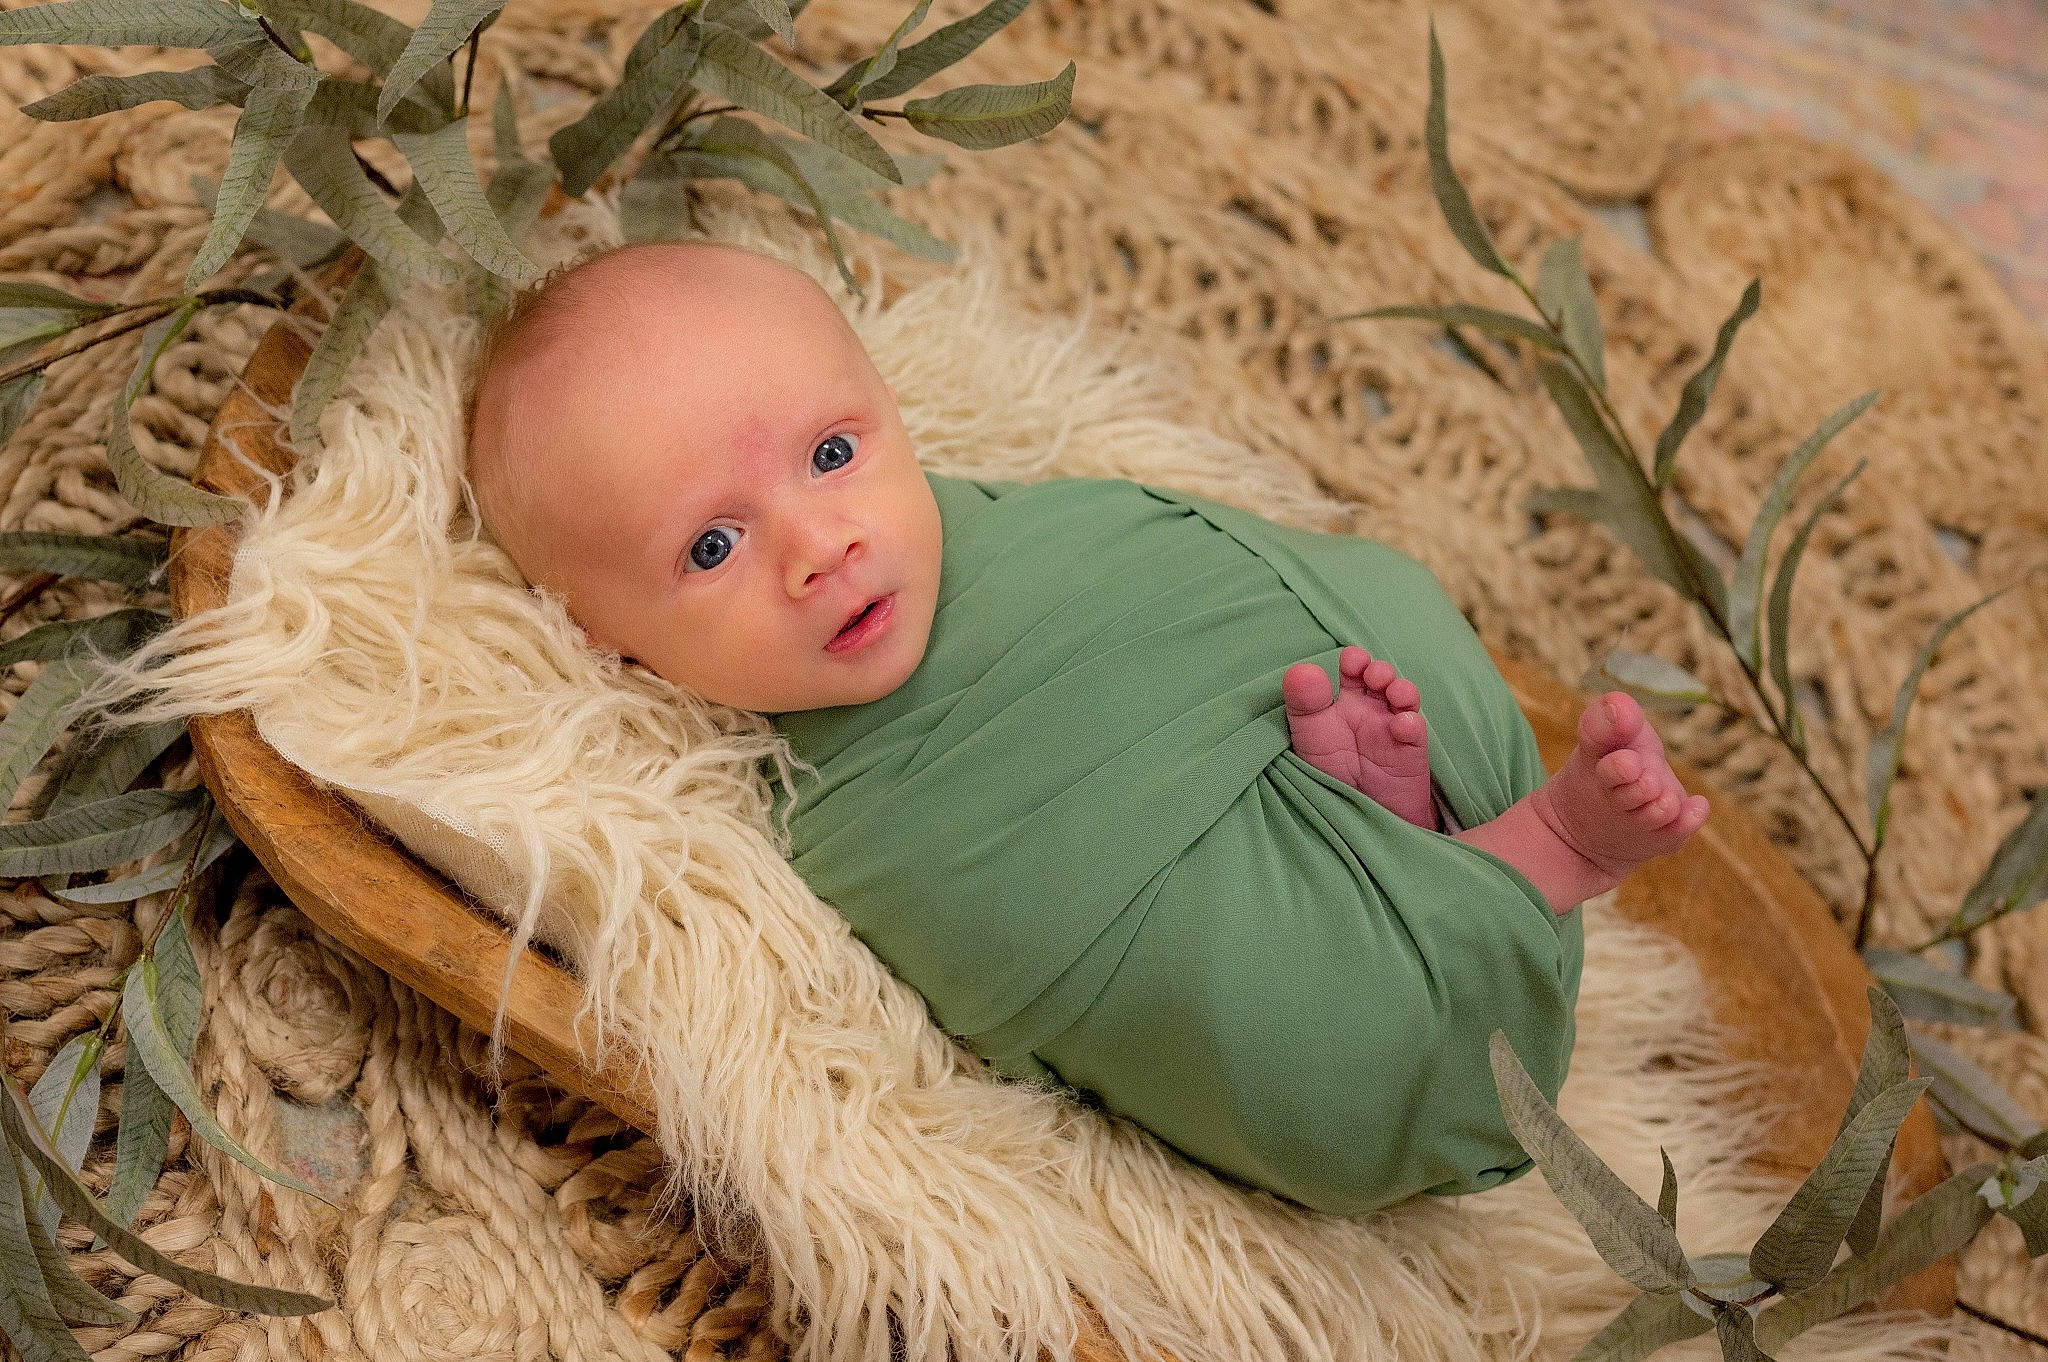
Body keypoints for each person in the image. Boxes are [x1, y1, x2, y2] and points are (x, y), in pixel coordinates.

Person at [464, 238, 1709, 1215]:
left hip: (1257, 680)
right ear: (600, 640)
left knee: (1374, 611)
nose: (818, 549)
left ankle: (1426, 844)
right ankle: (1486, 862)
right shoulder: (784, 818)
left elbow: (1153, 554)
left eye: (833, 452)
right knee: (1284, 1027)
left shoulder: (1013, 530)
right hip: (1218, 944)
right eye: (712, 545)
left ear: (892, 410)